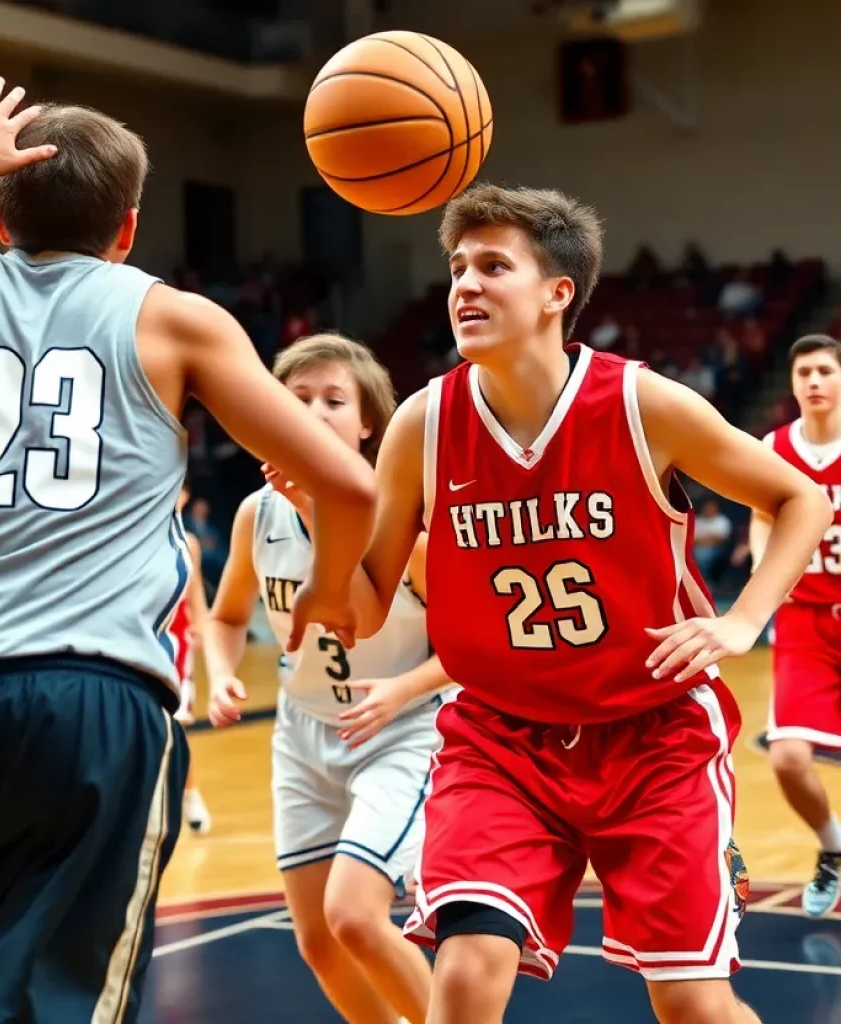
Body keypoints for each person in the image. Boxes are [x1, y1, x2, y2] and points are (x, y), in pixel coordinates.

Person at [0, 77, 375, 1023]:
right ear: (127, 228)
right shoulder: (175, 319)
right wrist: (325, 592)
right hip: (92, 699)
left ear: (0, 217)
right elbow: (351, 486)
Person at [348, 183, 831, 1024]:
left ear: (556, 292)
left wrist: (743, 619)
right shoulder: (422, 424)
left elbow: (803, 500)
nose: (465, 284)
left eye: (493, 266)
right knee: (464, 975)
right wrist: (322, 513)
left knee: (693, 1006)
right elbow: (360, 609)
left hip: (654, 734)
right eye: (456, 268)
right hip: (501, 738)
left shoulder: (644, 404)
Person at [206, 333, 448, 1024]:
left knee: (356, 916)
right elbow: (227, 616)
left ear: (367, 422)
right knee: (318, 941)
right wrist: (221, 674)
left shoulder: (401, 521)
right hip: (304, 732)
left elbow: (474, 649)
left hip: (401, 730)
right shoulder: (257, 514)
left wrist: (403, 689)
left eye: (334, 401)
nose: (313, 412)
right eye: (298, 398)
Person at [753, 334, 841, 917]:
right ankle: (833, 848)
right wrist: (767, 570)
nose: (813, 381)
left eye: (825, 371)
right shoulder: (774, 448)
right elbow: (762, 516)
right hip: (805, 621)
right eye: (803, 372)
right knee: (787, 756)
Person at [166, 481, 213, 834]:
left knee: (178, 725)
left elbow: (196, 594)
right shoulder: (135, 531)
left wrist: (203, 630)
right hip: (144, 634)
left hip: (178, 638)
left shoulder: (188, 541)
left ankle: (190, 793)